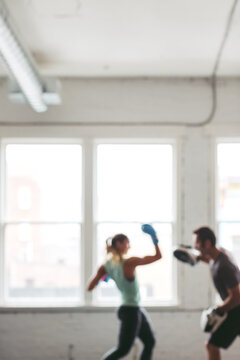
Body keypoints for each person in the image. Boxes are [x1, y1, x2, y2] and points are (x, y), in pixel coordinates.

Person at [87, 224, 162, 360]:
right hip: (130, 311)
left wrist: (102, 277)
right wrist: (154, 238)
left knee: (150, 342)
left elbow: (90, 287)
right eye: (127, 243)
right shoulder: (129, 262)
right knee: (123, 349)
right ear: (119, 244)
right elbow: (158, 256)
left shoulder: (106, 266)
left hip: (133, 309)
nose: (129, 246)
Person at [193, 226, 240, 360]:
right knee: (212, 345)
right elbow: (210, 261)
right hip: (235, 309)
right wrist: (193, 257)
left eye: (197, 243)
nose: (195, 246)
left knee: (211, 345)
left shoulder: (224, 266)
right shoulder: (217, 256)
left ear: (207, 243)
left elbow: (237, 297)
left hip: (237, 310)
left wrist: (218, 310)